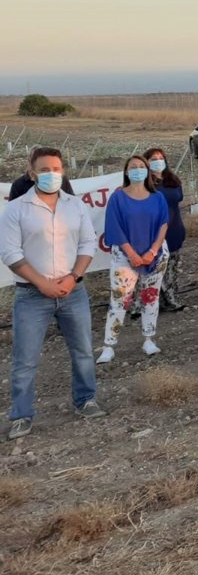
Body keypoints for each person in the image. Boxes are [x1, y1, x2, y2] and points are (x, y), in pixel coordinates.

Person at [0, 147, 104, 440]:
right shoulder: (16, 209)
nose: (51, 174)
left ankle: (86, 399)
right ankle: (21, 414)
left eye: (56, 169)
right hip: (32, 295)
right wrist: (42, 283)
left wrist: (74, 277)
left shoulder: (75, 205)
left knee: (83, 351)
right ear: (31, 173)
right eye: (44, 170)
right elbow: (10, 253)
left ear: (63, 172)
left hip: (73, 292)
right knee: (25, 359)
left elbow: (87, 243)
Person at [96, 155, 171, 364]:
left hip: (155, 256)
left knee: (150, 297)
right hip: (125, 257)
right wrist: (132, 254)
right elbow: (115, 227)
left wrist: (152, 251)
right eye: (133, 167)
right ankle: (109, 345)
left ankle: (149, 339)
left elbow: (163, 224)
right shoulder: (118, 198)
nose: (138, 170)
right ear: (126, 172)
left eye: (141, 166)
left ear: (147, 171)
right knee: (120, 300)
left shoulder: (158, 197)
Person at [145, 147, 186, 313]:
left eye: (160, 158)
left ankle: (171, 297)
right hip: (154, 232)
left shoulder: (173, 180)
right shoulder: (145, 184)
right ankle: (157, 301)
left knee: (172, 267)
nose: (158, 161)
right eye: (153, 159)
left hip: (174, 229)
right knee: (156, 268)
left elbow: (178, 198)